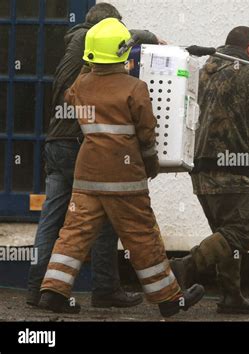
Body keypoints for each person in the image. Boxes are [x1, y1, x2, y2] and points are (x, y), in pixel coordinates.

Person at [38, 18, 204, 318]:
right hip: (124, 178)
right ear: (122, 53)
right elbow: (147, 133)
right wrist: (151, 164)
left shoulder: (80, 86)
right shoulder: (135, 87)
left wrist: (89, 64)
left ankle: (53, 291)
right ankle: (169, 299)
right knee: (142, 236)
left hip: (87, 175)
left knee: (73, 234)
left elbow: (73, 90)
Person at [27, 2, 164, 311]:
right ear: (106, 29)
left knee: (55, 219)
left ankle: (39, 289)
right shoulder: (91, 42)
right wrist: (154, 37)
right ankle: (105, 288)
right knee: (102, 217)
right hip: (78, 143)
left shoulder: (76, 44)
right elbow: (126, 38)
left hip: (56, 141)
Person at [171, 26, 249, 314]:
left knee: (226, 236)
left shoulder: (204, 72)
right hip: (235, 171)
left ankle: (230, 296)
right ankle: (185, 266)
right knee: (246, 226)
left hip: (202, 171)